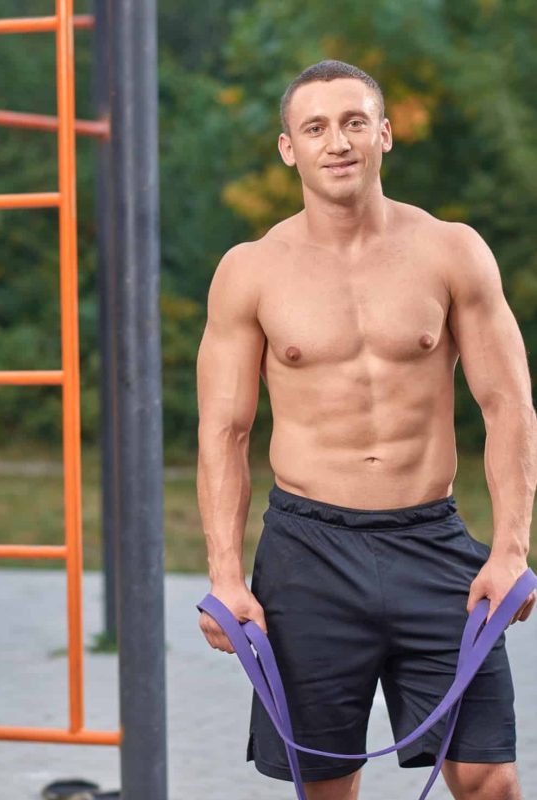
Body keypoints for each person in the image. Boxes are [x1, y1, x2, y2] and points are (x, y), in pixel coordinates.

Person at [195, 59, 537, 800]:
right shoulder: (250, 270)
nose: (337, 142)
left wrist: (510, 549)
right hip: (307, 553)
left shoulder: (452, 251)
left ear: (383, 134)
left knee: (491, 782)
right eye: (314, 127)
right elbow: (224, 432)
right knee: (327, 789)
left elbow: (508, 404)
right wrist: (225, 573)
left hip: (432, 544)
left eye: (354, 122)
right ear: (289, 148)